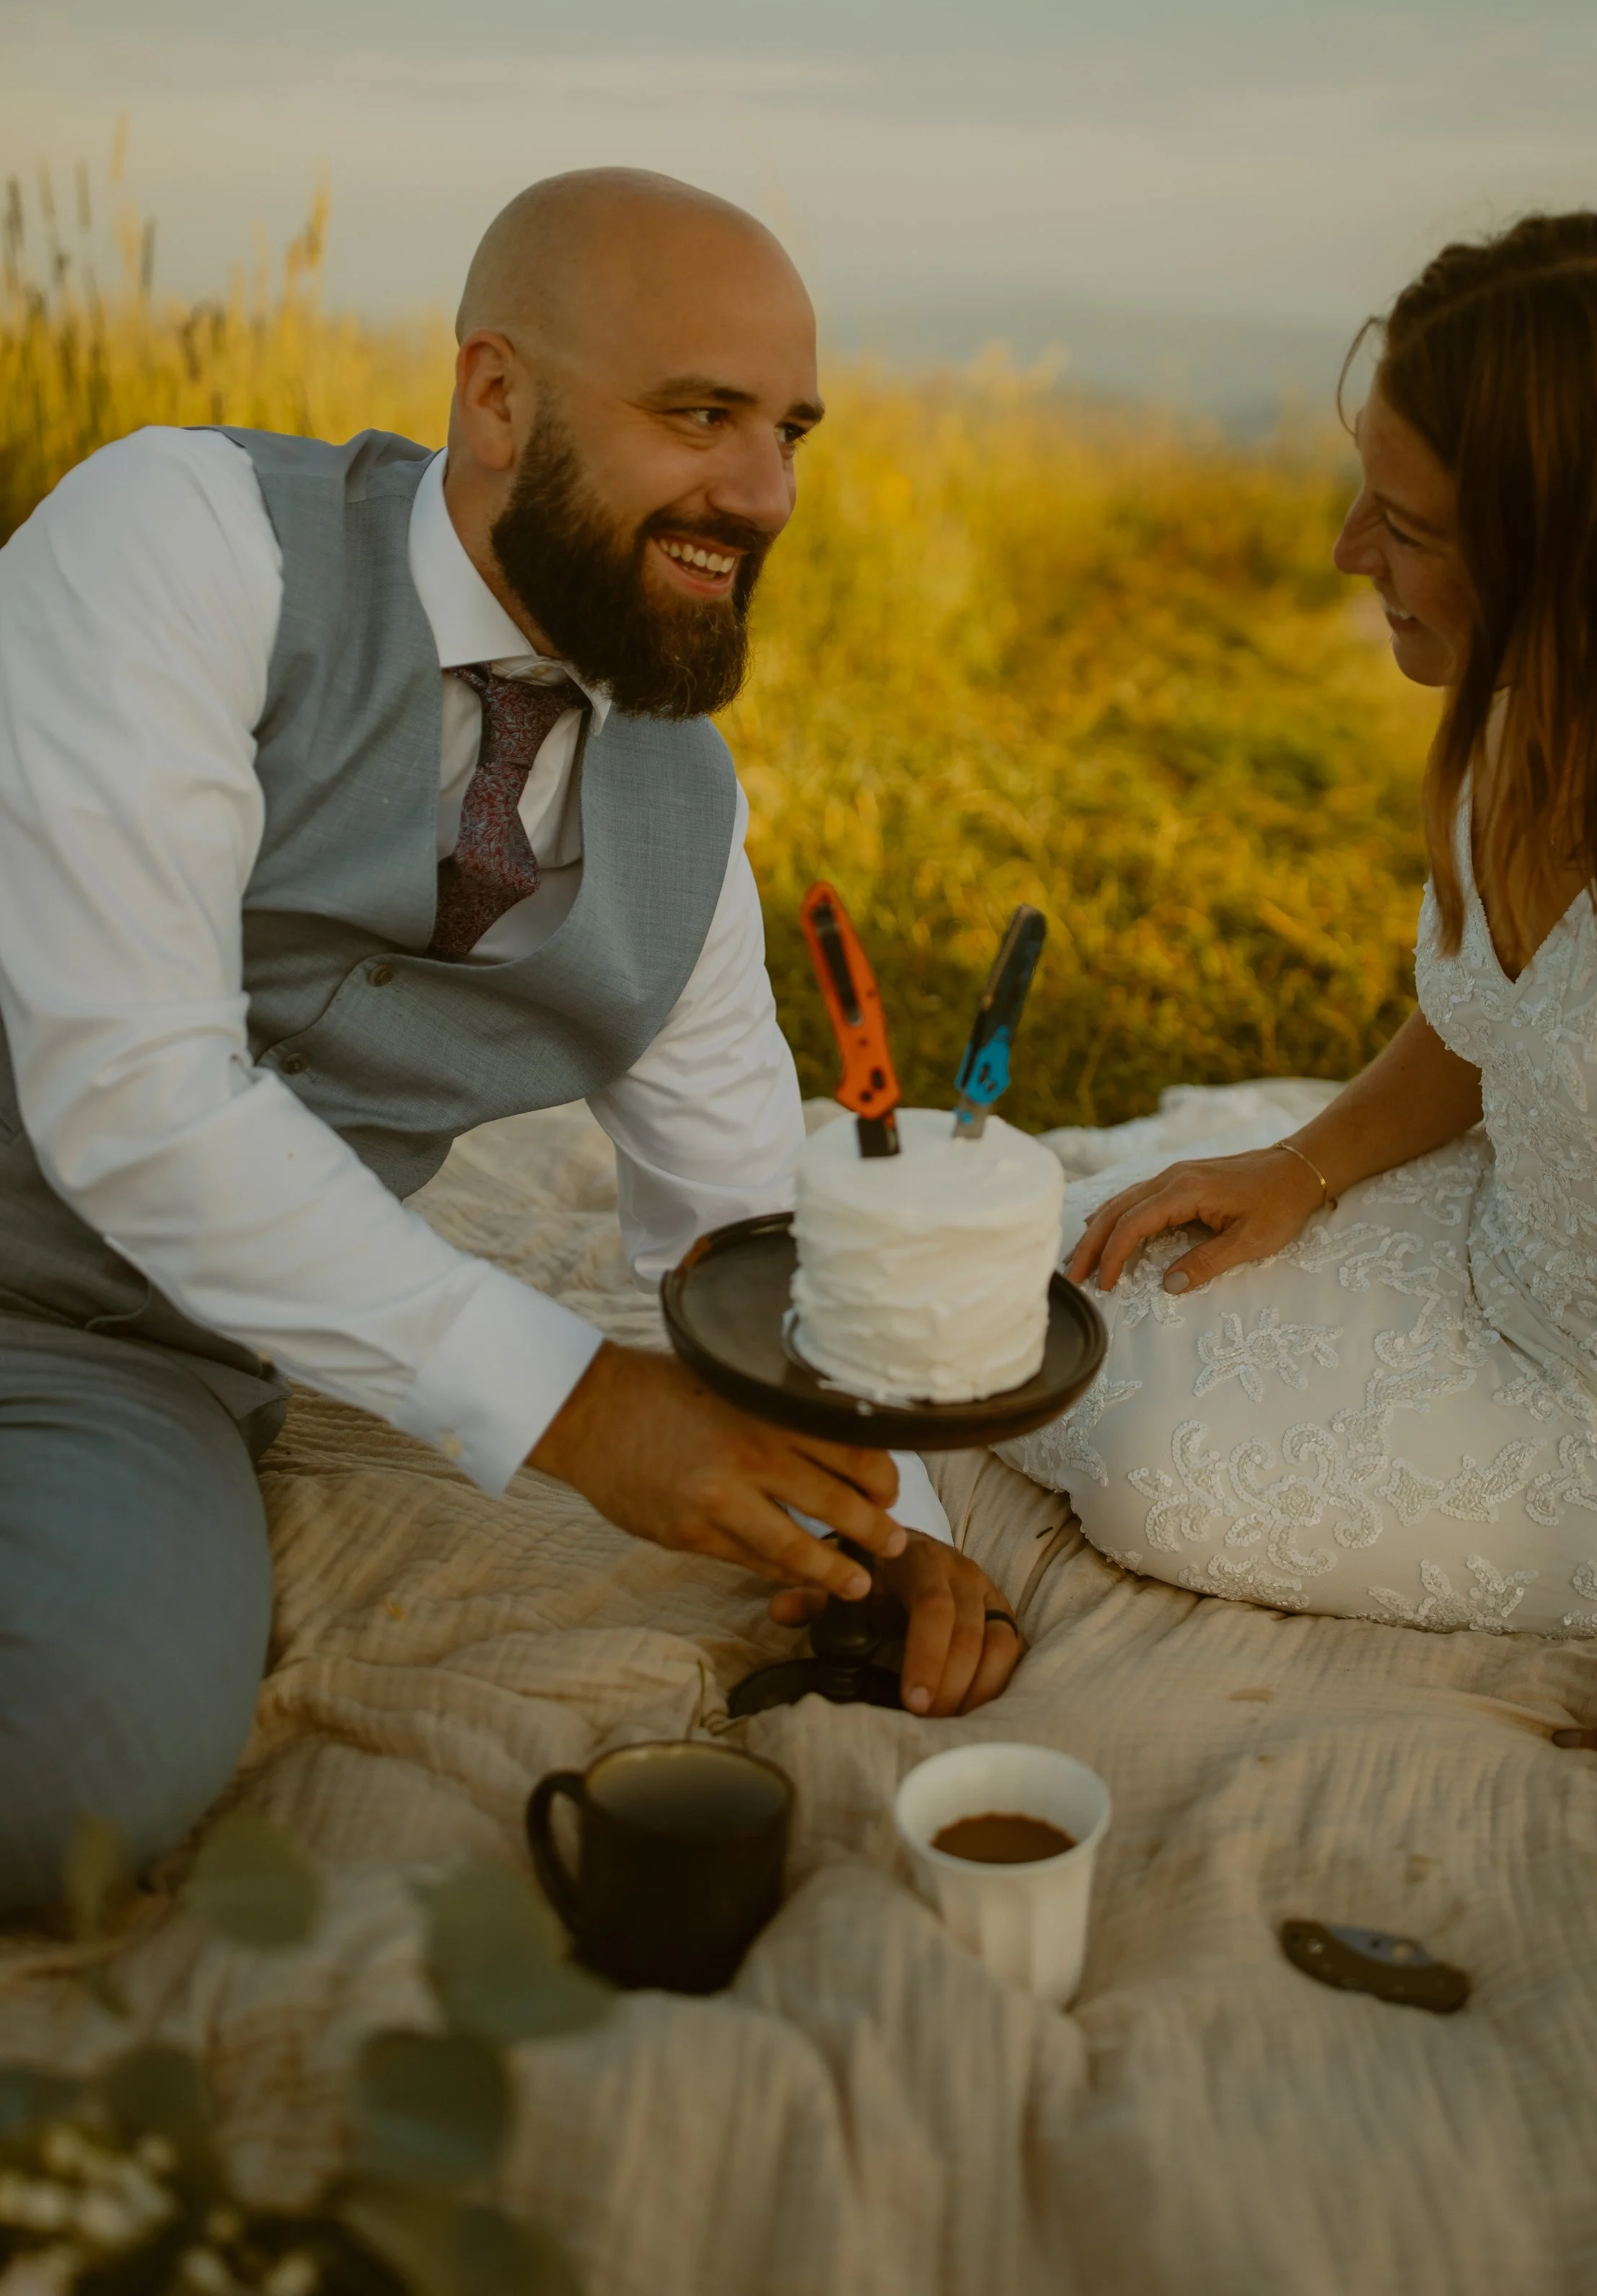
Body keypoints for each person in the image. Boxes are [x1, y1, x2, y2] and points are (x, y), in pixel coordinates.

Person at [0, 168, 1021, 1915]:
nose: (760, 494)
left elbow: (732, 1235)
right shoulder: (180, 533)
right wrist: (570, 1406)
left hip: (130, 1384)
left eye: (789, 433)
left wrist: (893, 1525)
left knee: (73, 1783)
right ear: (495, 396)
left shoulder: (684, 825)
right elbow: (135, 1098)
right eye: (699, 415)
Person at [1007, 211, 1597, 1857]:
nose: (1341, 550)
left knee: (1150, 1465)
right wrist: (1304, 1166)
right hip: (1492, 1248)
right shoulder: (1546, 686)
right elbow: (1490, 1020)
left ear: (1590, 554)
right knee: (1022, 1271)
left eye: (1408, 521)